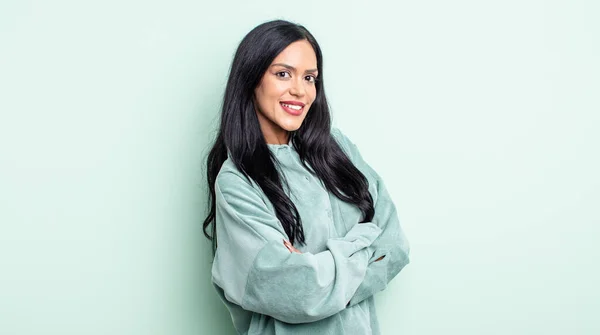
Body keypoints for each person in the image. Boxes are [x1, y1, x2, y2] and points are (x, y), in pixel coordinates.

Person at [202, 19, 410, 335]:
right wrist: (364, 241)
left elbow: (394, 247)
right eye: (283, 73)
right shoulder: (237, 182)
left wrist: (321, 267)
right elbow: (300, 292)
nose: (300, 90)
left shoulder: (338, 150)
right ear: (252, 78)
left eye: (310, 77)